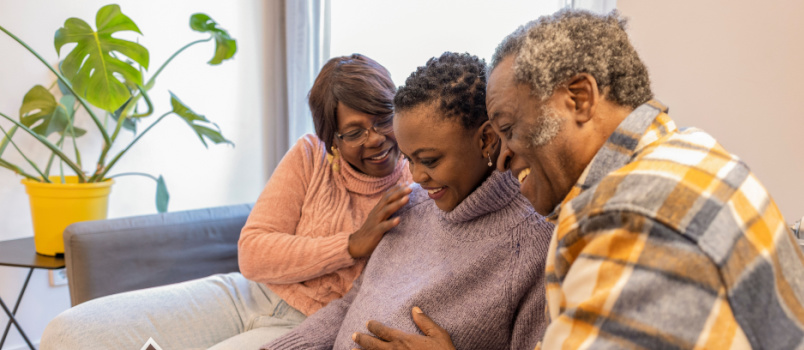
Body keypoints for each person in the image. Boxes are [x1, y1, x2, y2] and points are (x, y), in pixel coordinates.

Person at [357, 9, 804, 350]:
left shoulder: (628, 221)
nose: (503, 156)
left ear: (580, 98)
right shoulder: (690, 150)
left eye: (508, 128)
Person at [40, 54, 414, 349]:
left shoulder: (417, 184)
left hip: (306, 324)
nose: (376, 138)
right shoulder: (309, 155)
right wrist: (349, 245)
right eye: (354, 132)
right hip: (247, 294)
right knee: (68, 332)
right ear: (331, 139)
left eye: (383, 119)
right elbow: (252, 252)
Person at [264, 52, 554, 350]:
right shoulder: (414, 205)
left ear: (487, 140)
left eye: (429, 160)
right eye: (408, 159)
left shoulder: (534, 245)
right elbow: (351, 303)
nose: (416, 177)